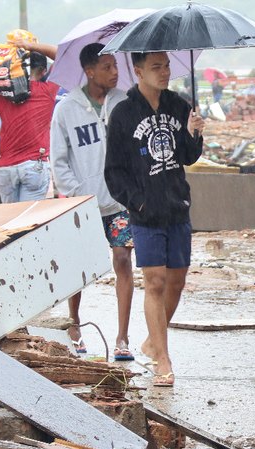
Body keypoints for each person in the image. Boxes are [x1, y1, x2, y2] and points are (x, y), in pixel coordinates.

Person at [104, 51, 204, 387]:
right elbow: (113, 172)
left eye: (167, 66)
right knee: (155, 281)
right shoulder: (122, 114)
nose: (164, 72)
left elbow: (188, 157)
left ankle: (152, 340)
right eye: (156, 67)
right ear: (138, 71)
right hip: (146, 213)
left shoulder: (179, 105)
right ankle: (163, 358)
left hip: (178, 205)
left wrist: (194, 134)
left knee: (176, 282)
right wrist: (138, 203)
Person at [50, 43, 135, 359]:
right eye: (107, 67)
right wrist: (75, 193)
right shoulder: (66, 109)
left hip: (119, 202)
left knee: (123, 261)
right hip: (82, 203)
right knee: (79, 268)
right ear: (89, 71)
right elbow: (59, 161)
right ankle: (74, 325)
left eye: (116, 66)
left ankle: (122, 337)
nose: (115, 73)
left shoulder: (124, 102)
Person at [0, 41, 58, 203]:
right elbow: (61, 55)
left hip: (5, 169)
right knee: (30, 221)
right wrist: (30, 46)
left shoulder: (2, 94)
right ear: (43, 71)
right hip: (33, 165)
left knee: (12, 223)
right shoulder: (46, 90)